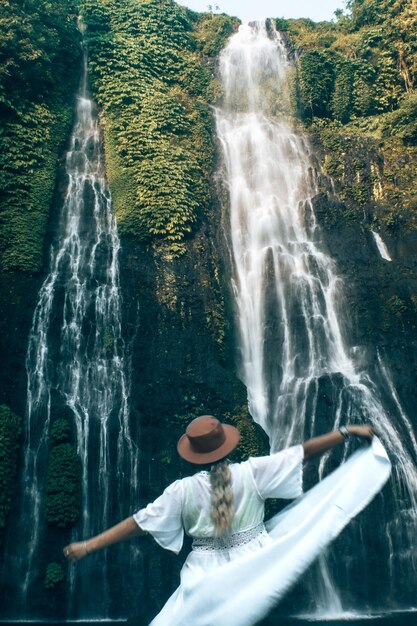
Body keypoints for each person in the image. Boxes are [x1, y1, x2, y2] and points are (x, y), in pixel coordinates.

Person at [64, 416, 385, 626]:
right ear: (226, 446)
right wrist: (345, 432)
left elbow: (137, 524)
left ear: (192, 453)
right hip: (258, 565)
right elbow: (302, 454)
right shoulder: (252, 473)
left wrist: (87, 546)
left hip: (205, 579)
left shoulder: (182, 491)